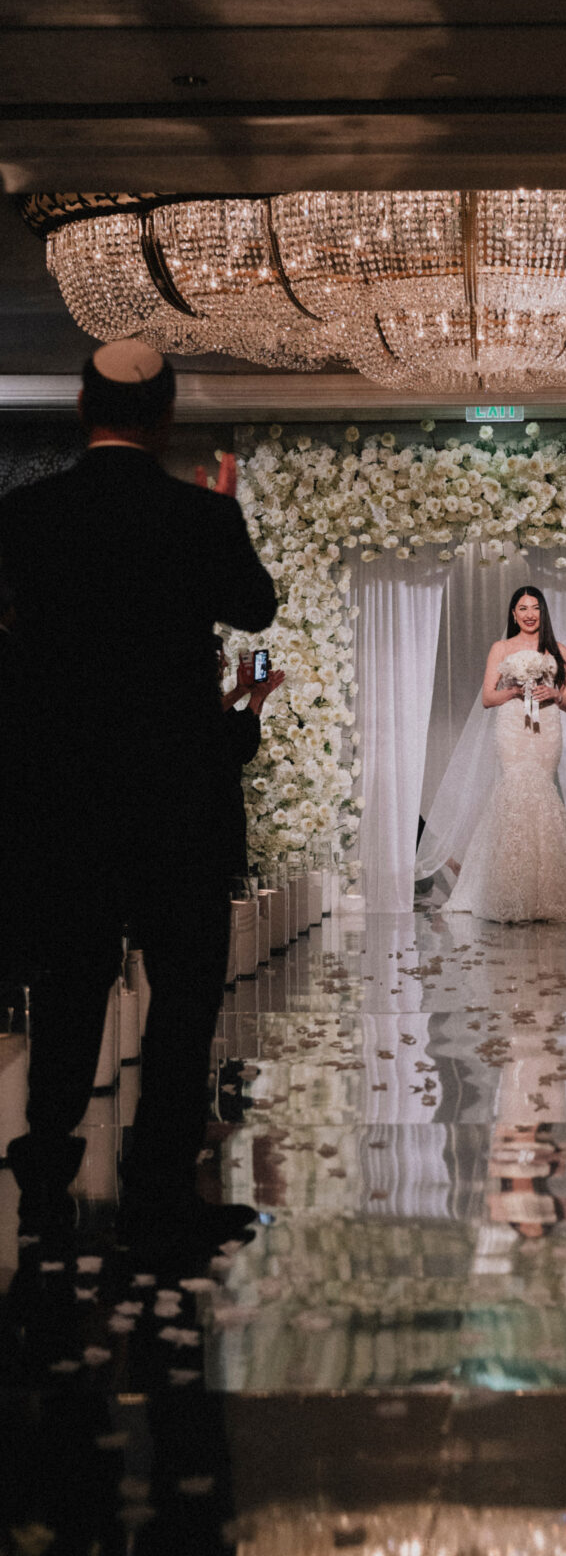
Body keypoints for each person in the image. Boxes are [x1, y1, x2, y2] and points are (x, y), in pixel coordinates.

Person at [0, 339, 277, 1251]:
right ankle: (159, 1182)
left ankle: (44, 1166)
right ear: (164, 416)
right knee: (184, 987)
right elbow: (257, 609)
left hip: (64, 792)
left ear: (83, 402)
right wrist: (220, 517)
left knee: (69, 979)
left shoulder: (26, 515)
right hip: (176, 793)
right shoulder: (200, 517)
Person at [445, 586, 566, 922]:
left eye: (535, 607)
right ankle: (511, 888)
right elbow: (487, 697)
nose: (529, 614)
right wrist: (515, 689)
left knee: (542, 794)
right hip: (513, 726)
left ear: (543, 612)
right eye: (522, 608)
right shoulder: (501, 647)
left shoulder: (559, 650)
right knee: (515, 792)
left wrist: (553, 693)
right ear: (513, 614)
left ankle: (549, 890)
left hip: (547, 729)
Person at [215, 640, 285, 880]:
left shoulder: (222, 699)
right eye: (218, 656)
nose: (224, 663)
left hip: (226, 805)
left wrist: (257, 697)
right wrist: (241, 692)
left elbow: (242, 749)